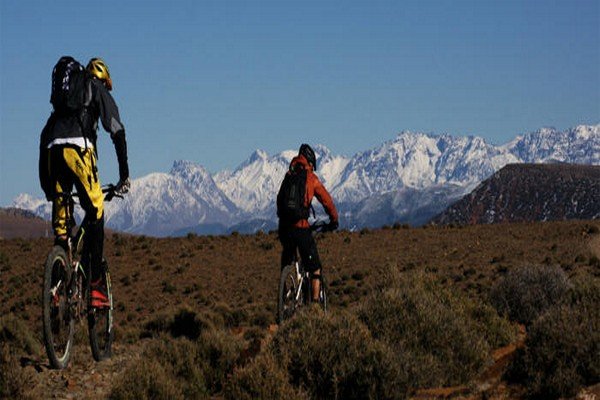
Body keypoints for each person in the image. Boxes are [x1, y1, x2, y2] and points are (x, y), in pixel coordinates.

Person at [39, 57, 130, 308]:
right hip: (78, 151)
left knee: (61, 231)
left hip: (52, 153)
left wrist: (48, 188)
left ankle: (56, 290)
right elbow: (116, 130)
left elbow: (44, 139)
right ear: (102, 78)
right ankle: (97, 286)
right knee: (96, 209)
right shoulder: (96, 88)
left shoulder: (60, 109)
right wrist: (124, 174)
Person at [277, 144, 339, 302]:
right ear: (310, 163)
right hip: (301, 228)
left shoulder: (289, 175)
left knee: (287, 260)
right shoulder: (311, 178)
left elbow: (279, 200)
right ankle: (315, 306)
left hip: (284, 228)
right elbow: (327, 201)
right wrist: (334, 220)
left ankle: (283, 298)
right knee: (315, 268)